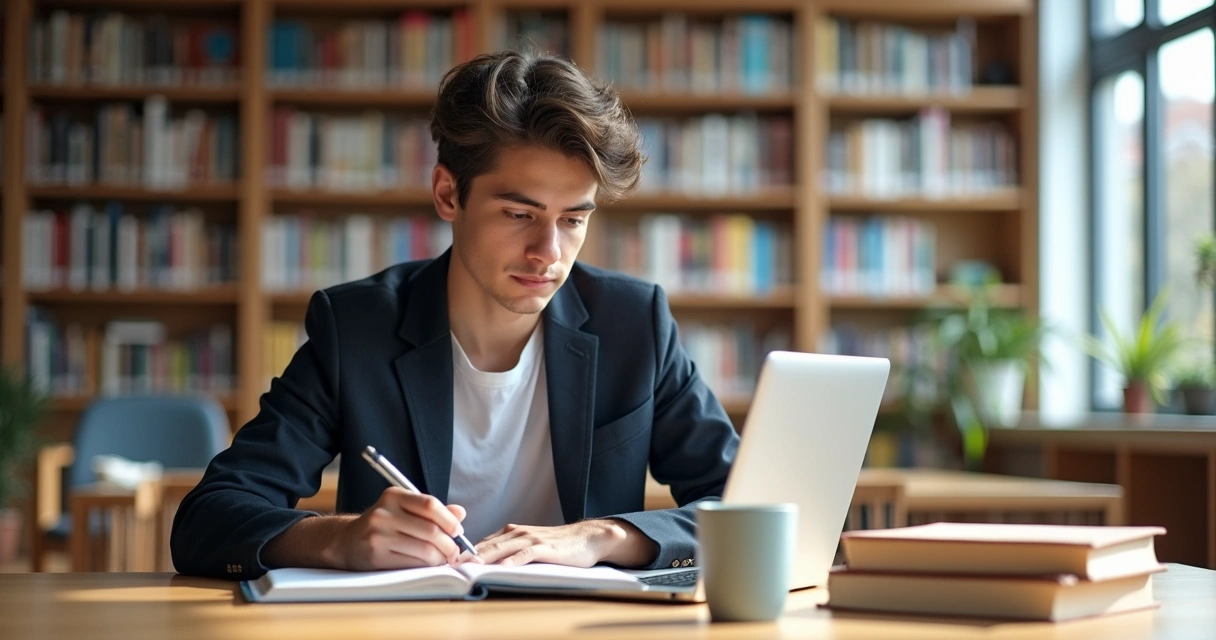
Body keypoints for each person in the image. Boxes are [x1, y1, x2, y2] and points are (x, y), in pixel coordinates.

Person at [170, 50, 739, 580]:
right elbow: (209, 518)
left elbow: (750, 507)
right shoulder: (356, 328)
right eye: (519, 213)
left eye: (572, 220)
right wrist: (337, 540)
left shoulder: (633, 323)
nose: (549, 252)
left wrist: (606, 536)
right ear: (447, 194)